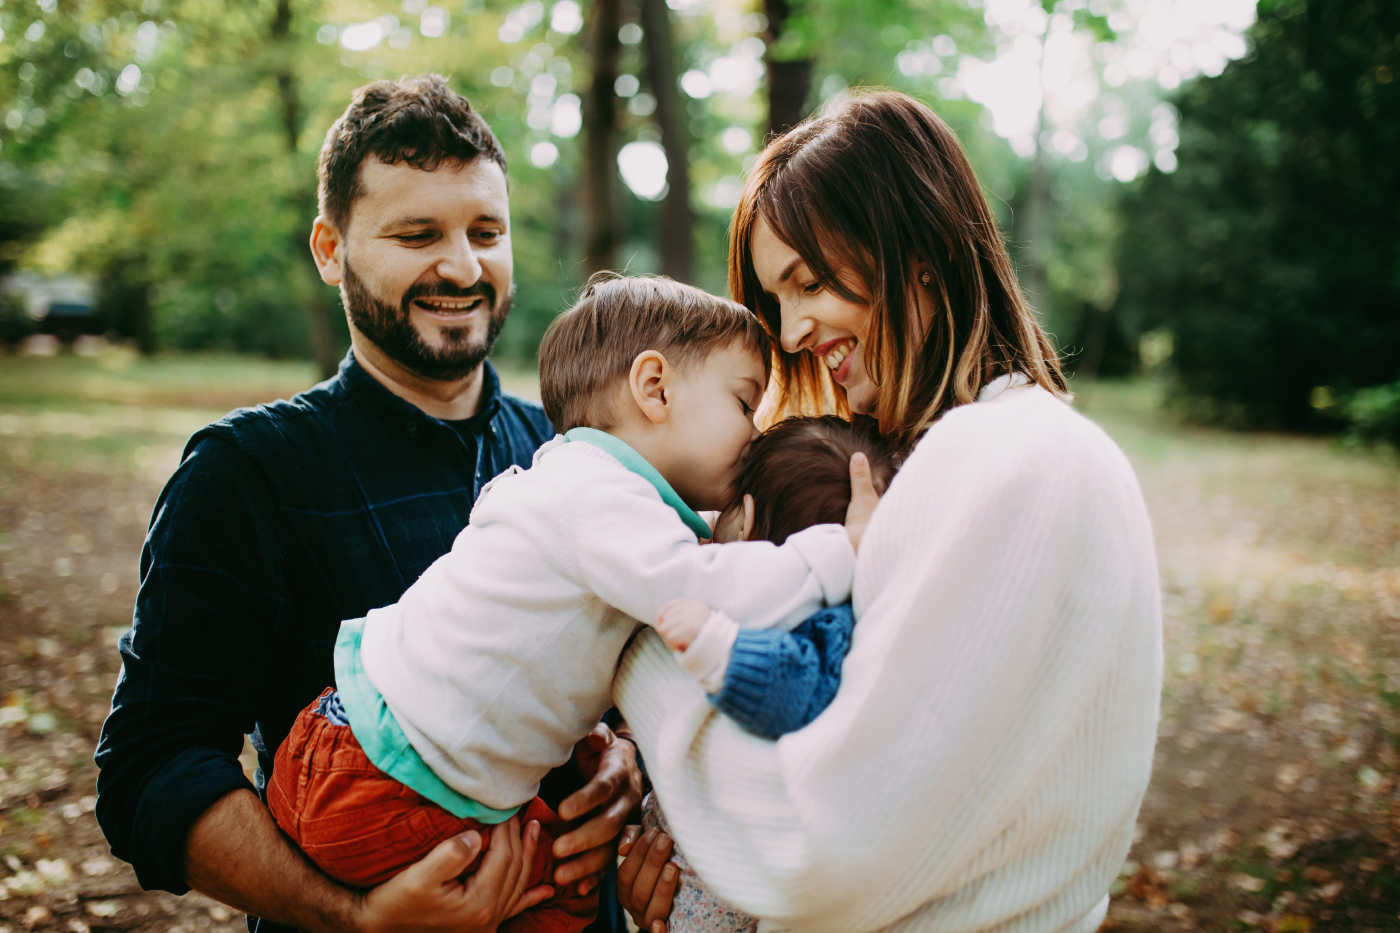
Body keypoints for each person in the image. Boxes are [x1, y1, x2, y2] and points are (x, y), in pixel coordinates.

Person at [94, 75, 661, 933]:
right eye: (416, 234)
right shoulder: (246, 472)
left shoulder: (574, 451)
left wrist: (629, 761)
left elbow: (649, 673)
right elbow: (150, 768)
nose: (462, 267)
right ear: (330, 248)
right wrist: (355, 917)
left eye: (486, 231)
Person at [612, 90, 1163, 933]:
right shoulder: (1005, 457)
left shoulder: (1004, 462)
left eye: (810, 281)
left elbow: (817, 853)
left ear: (921, 255)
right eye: (776, 298)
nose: (791, 332)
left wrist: (640, 651)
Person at [267, 275, 867, 931]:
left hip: (372, 752)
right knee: (552, 902)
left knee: (566, 891)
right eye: (744, 402)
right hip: (384, 777)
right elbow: (714, 588)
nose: (754, 432)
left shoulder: (577, 479)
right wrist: (840, 550)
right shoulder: (599, 500)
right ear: (655, 387)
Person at [647, 415, 899, 933]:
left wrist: (719, 645)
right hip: (681, 846)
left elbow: (797, 684)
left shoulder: (825, 623)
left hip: (720, 887)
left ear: (747, 519)